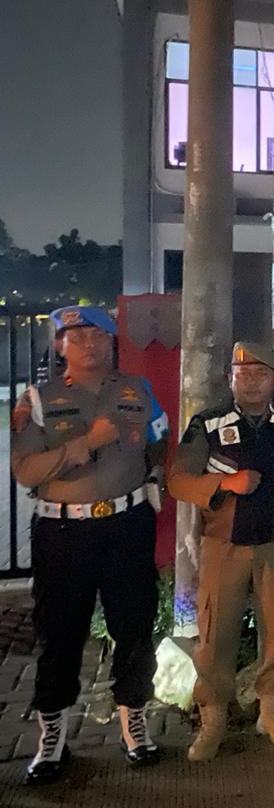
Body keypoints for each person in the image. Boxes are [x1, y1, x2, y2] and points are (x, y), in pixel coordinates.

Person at [11, 305, 169, 783]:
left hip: (127, 527)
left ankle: (132, 721)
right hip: (63, 532)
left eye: (97, 335)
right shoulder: (37, 400)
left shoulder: (137, 390)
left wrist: (154, 477)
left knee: (135, 627)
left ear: (111, 341)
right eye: (76, 337)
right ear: (60, 346)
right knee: (59, 634)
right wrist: (86, 444)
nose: (88, 344)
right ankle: (52, 735)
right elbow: (25, 471)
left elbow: (158, 441)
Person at [169, 342, 274, 760]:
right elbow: (178, 481)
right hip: (223, 546)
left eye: (261, 374)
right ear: (230, 380)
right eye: (243, 375)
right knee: (215, 637)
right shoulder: (208, 424)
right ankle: (213, 719)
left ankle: (271, 711)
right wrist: (225, 483)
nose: (252, 382)